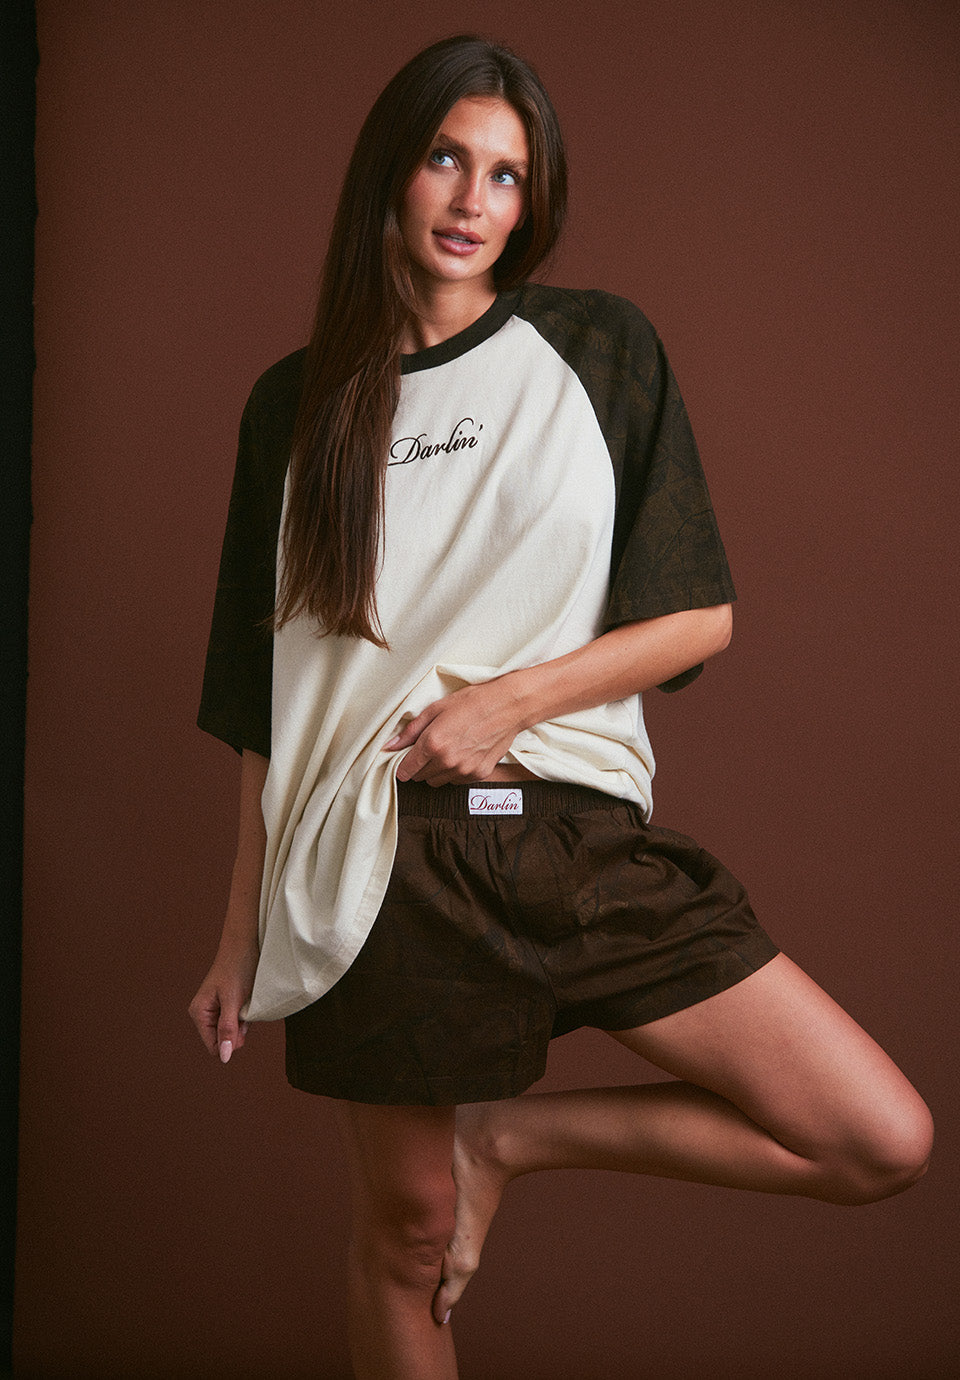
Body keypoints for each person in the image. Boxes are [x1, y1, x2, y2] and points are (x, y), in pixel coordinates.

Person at [189, 34, 933, 1380]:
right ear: (392, 172)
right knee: (406, 1237)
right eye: (446, 159)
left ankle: (511, 1140)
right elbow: (265, 700)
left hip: (569, 836)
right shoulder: (291, 407)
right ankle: (461, 1171)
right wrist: (238, 933)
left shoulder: (597, 349)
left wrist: (505, 704)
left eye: (508, 176)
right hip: (381, 858)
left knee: (877, 1134)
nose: (473, 200)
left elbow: (698, 616)